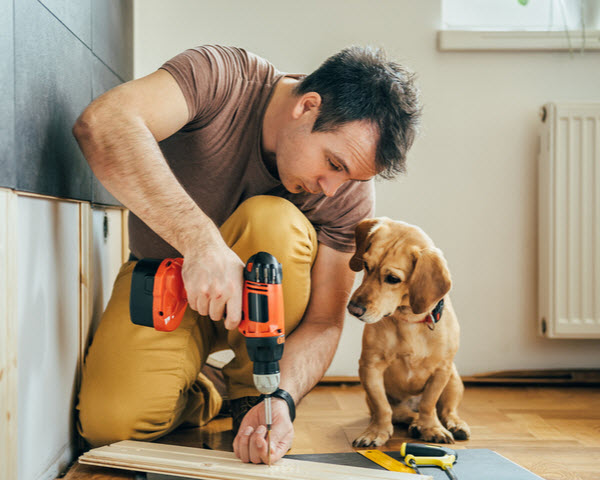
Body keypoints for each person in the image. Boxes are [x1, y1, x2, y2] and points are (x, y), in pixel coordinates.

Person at [73, 44, 421, 464]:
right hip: (165, 278)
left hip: (264, 326)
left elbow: (325, 322)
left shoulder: (347, 193)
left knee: (272, 219)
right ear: (308, 106)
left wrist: (284, 398)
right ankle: (208, 388)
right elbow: (104, 122)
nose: (332, 187)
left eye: (349, 176)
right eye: (333, 163)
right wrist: (202, 244)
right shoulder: (220, 77)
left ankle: (250, 393)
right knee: (111, 427)